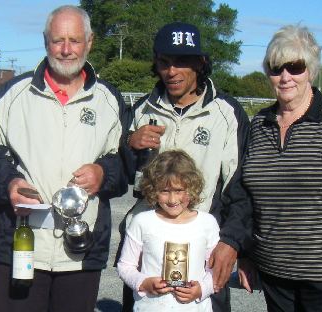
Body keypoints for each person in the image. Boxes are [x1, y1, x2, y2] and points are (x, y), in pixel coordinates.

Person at [0, 5, 129, 312]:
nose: (65, 50)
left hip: (79, 250)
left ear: (90, 41)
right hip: (22, 243)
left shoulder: (109, 99)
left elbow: (123, 162)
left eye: (74, 40)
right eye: (57, 40)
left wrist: (103, 173)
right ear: (45, 40)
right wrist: (9, 182)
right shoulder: (12, 95)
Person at [117, 22, 252, 312]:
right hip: (148, 244)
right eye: (165, 62)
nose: (172, 71)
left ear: (201, 63)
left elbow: (240, 187)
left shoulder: (227, 113)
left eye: (182, 62)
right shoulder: (142, 110)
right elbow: (120, 175)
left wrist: (231, 240)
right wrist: (129, 144)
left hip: (202, 245)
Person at [238, 25, 322, 311]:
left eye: (295, 67)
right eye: (276, 68)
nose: (285, 76)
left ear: (310, 70)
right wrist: (246, 254)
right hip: (274, 272)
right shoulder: (259, 124)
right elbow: (247, 198)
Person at [118, 150, 220, 311]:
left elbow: (215, 270)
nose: (172, 200)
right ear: (153, 189)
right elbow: (125, 266)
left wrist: (201, 289)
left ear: (192, 188)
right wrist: (143, 283)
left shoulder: (207, 223)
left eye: (179, 190)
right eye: (164, 191)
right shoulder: (142, 221)